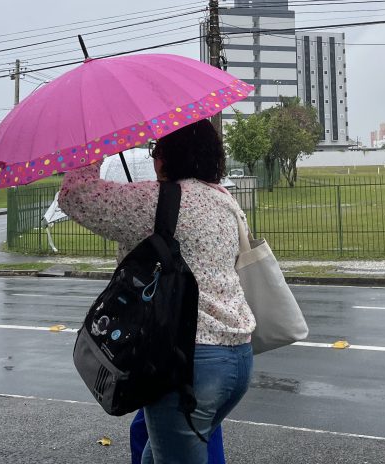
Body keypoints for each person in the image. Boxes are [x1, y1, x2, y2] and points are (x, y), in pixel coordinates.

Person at [58, 119, 254, 464]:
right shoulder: (225, 201)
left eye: (156, 150)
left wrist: (92, 144)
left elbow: (75, 196)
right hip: (237, 359)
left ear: (167, 156)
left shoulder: (153, 200)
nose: (152, 159)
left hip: (186, 366)